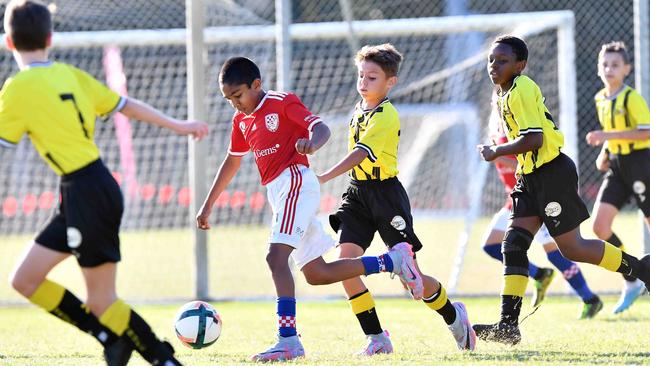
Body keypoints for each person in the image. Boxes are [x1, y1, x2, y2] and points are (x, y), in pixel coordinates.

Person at [1, 1, 210, 365]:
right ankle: (109, 339)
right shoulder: (69, 74)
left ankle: (164, 359)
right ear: (50, 38)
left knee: (102, 301)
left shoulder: (17, 88)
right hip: (83, 190)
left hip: (87, 192)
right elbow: (126, 105)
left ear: (8, 43)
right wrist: (181, 125)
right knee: (25, 279)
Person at [196, 56, 425, 362]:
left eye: (238, 96)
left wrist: (312, 144)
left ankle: (288, 340)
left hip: (295, 183)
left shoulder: (281, 102)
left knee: (276, 258)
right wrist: (208, 203)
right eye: (228, 99)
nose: (235, 104)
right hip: (279, 192)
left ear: (256, 85)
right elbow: (233, 160)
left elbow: (321, 129)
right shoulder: (241, 121)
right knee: (317, 273)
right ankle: (391, 262)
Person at [474, 35, 650, 346]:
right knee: (513, 245)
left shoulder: (522, 88)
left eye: (502, 60)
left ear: (520, 65)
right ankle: (508, 325)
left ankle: (641, 270)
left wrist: (496, 151)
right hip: (528, 176)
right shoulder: (503, 94)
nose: (494, 65)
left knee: (573, 248)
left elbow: (535, 139)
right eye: (491, 59)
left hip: (552, 173)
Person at [316, 43, 476, 355]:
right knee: (343, 266)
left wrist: (322, 177)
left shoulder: (387, 115)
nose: (363, 82)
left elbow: (360, 153)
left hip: (386, 196)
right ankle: (377, 338)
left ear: (391, 82)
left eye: (372, 77)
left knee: (412, 281)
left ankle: (453, 316)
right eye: (361, 75)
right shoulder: (358, 110)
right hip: (357, 194)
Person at [482, 104, 603, 319]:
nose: (500, 102)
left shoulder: (521, 127)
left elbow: (529, 162)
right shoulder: (496, 129)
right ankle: (540, 274)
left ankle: (590, 298)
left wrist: (497, 156)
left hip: (535, 198)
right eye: (496, 99)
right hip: (515, 200)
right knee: (491, 245)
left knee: (558, 252)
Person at [586, 41, 650, 314]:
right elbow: (610, 131)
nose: (609, 69)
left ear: (627, 69)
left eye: (615, 65)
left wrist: (606, 138)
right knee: (599, 227)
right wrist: (605, 151)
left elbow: (646, 132)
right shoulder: (601, 98)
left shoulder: (631, 97)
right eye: (605, 64)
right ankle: (632, 276)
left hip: (640, 164)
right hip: (617, 167)